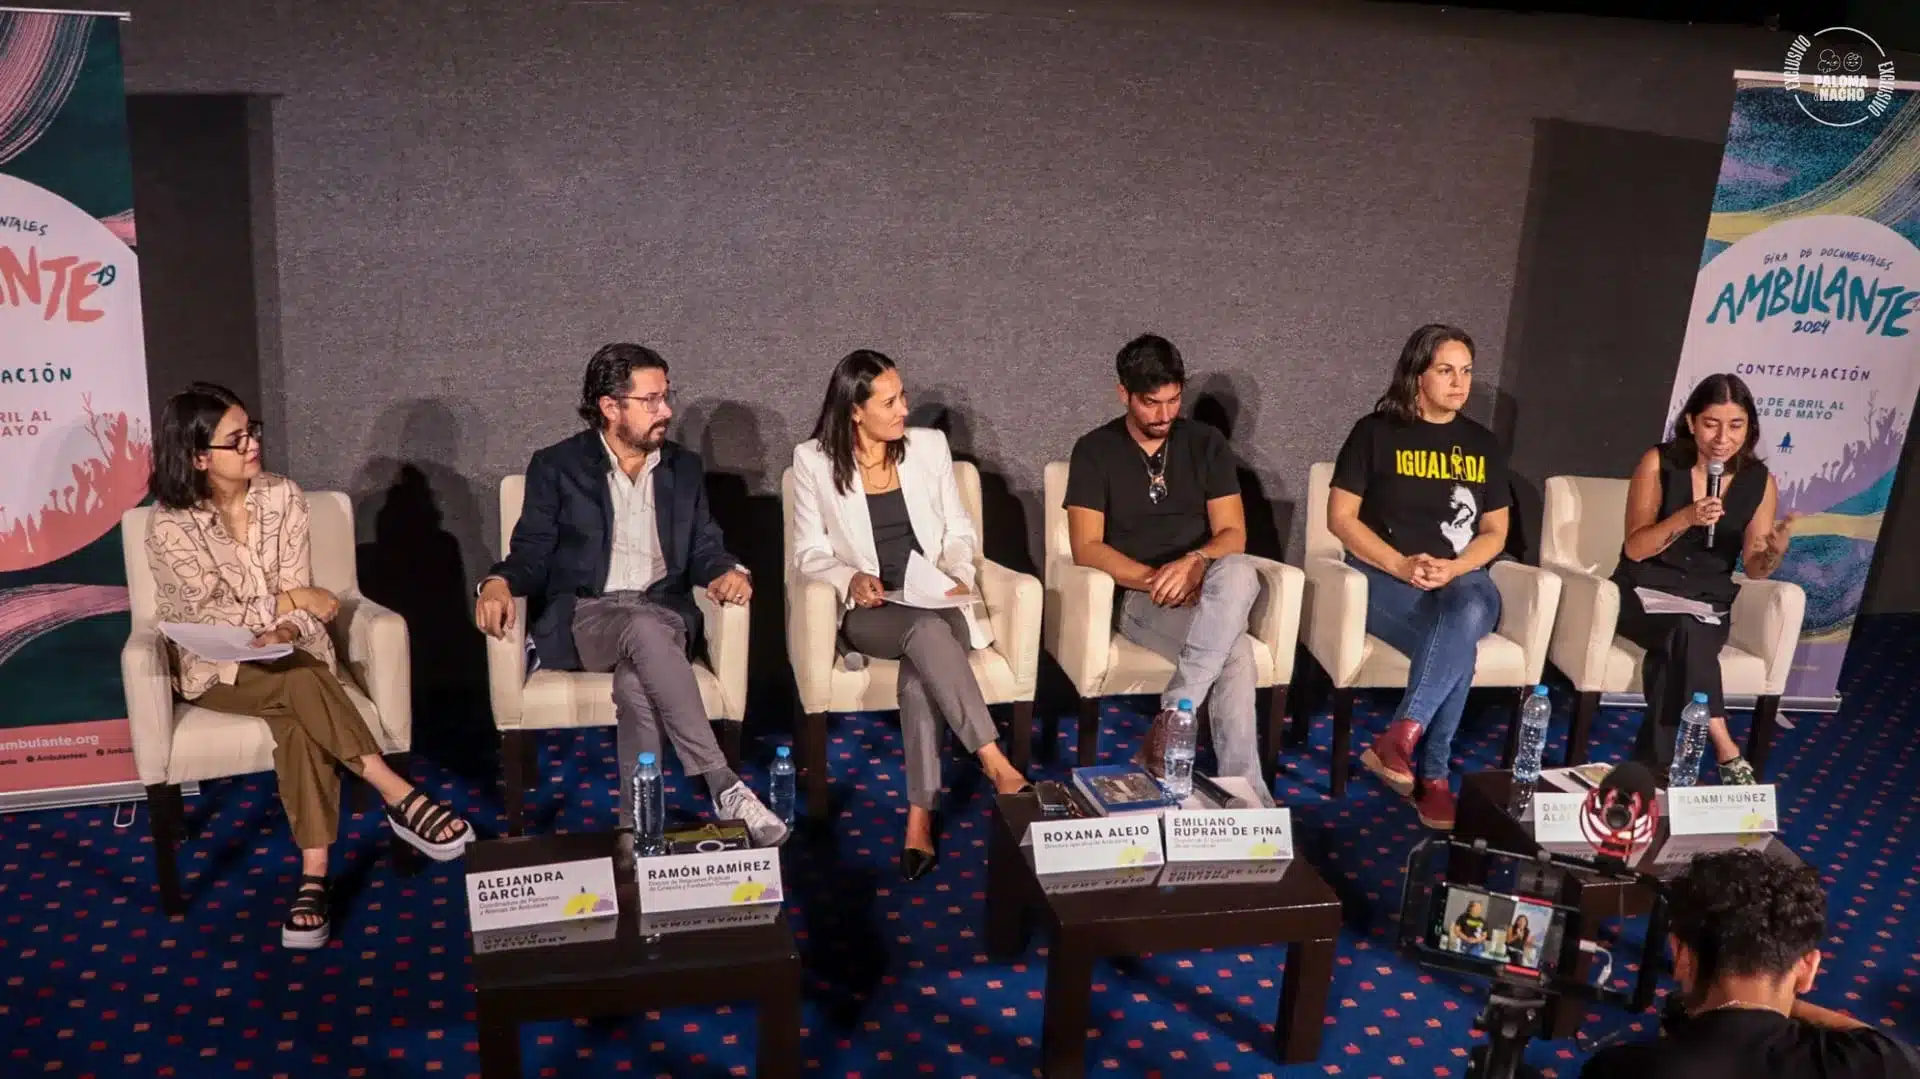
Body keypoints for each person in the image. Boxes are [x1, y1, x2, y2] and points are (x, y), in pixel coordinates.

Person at [146, 383, 471, 950]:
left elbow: (308, 598)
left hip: (292, 652)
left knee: (297, 703)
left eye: (253, 432)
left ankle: (313, 877)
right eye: (236, 439)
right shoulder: (169, 524)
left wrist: (288, 621)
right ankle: (396, 791)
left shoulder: (283, 497)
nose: (253, 445)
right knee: (300, 681)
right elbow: (210, 613)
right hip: (217, 668)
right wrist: (293, 605)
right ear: (198, 457)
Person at [474, 343, 786, 847]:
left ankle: (637, 829)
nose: (666, 411)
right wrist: (496, 582)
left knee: (638, 682)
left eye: (667, 397)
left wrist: (732, 569)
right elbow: (530, 552)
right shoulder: (557, 466)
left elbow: (706, 547)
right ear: (610, 406)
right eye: (651, 400)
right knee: (641, 632)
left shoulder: (682, 468)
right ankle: (723, 784)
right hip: (587, 616)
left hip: (662, 615)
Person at [789, 349, 1032, 880]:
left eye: (903, 397)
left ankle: (919, 817)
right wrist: (848, 579)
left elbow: (957, 530)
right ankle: (994, 760)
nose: (904, 410)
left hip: (934, 600)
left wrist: (957, 570)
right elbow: (808, 551)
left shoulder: (929, 448)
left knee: (923, 664)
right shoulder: (812, 461)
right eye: (891, 401)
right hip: (874, 609)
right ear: (856, 410)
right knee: (923, 634)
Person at [1063, 333, 1270, 793]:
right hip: (1142, 597)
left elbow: (1233, 533)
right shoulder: (1094, 450)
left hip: (1209, 585)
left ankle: (1173, 715)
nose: (1164, 415)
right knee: (1233, 653)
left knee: (1240, 570)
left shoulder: (1206, 443)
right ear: (1124, 394)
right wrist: (1160, 579)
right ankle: (1250, 797)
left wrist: (1194, 563)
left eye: (1174, 401)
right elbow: (1087, 547)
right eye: (1151, 403)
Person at [1333, 324, 1509, 831]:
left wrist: (1454, 567)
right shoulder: (1375, 432)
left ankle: (1399, 738)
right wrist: (1400, 565)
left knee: (1470, 608)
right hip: (1385, 576)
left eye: (1467, 372)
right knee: (1461, 645)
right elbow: (1341, 519)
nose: (1460, 383)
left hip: (1461, 576)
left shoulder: (1482, 444)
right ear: (1416, 375)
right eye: (1446, 370)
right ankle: (1433, 776)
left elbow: (1496, 531)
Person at [1580, 849, 1920, 1079]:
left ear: (1681, 956)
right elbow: (1869, 1038)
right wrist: (1789, 1003)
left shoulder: (1620, 1069)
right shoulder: (1878, 1063)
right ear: (1809, 969)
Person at [1613, 373, 1793, 785]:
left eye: (1736, 426)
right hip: (1643, 593)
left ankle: (1654, 769)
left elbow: (1753, 568)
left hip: (1708, 601)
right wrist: (1686, 517)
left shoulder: (1759, 482)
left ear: (1750, 429)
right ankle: (1726, 747)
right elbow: (1635, 549)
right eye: (1711, 424)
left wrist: (1772, 553)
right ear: (1691, 421)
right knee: (1684, 631)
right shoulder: (1659, 462)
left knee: (1679, 645)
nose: (1722, 438)